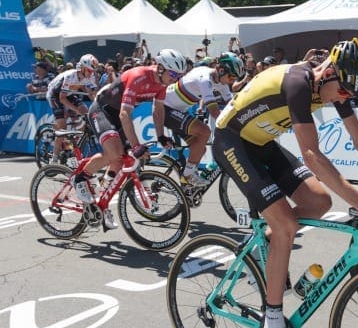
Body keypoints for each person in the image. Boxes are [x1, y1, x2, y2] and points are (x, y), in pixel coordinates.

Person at [213, 38, 358, 328]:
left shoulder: (334, 85)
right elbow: (311, 154)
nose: (343, 100)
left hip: (262, 143)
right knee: (286, 225)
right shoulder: (298, 82)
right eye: (344, 93)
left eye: (349, 97)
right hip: (232, 141)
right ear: (330, 73)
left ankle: (269, 243)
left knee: (320, 201)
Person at [77, 49, 188, 230]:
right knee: (115, 153)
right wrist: (136, 144)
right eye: (173, 74)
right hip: (102, 109)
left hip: (118, 114)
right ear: (160, 68)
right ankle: (81, 179)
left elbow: (158, 110)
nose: (175, 78)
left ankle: (101, 204)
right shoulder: (139, 76)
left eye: (179, 75)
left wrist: (160, 135)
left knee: (123, 160)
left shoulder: (162, 84)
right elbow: (124, 113)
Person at [163, 52, 245, 187]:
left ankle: (186, 184)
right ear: (222, 70)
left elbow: (232, 105)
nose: (232, 81)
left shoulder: (220, 81)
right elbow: (214, 112)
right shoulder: (204, 79)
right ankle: (188, 175)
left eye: (234, 78)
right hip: (166, 109)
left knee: (200, 149)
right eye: (231, 76)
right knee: (205, 132)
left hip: (178, 111)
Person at [46, 54, 100, 153]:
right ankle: (55, 156)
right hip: (54, 94)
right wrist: (76, 110)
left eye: (93, 71)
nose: (91, 73)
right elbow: (62, 99)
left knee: (85, 113)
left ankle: (73, 142)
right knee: (63, 125)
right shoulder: (70, 76)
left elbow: (91, 94)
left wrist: (98, 106)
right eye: (89, 70)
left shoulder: (90, 76)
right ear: (82, 68)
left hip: (68, 93)